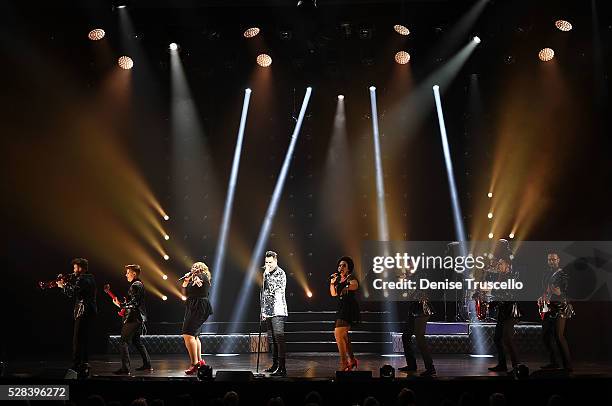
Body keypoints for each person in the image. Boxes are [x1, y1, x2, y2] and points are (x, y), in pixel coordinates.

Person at [57, 258, 97, 378]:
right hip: (89, 311)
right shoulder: (91, 278)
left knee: (77, 339)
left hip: (83, 311)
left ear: (82, 268)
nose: (73, 270)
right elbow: (78, 291)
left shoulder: (83, 279)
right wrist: (67, 283)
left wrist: (62, 286)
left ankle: (75, 364)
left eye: (75, 268)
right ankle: (84, 363)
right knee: (84, 338)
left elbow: (72, 292)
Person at [113, 264, 152, 375]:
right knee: (137, 341)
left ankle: (126, 368)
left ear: (134, 273)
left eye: (128, 272)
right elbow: (135, 302)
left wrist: (120, 305)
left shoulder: (135, 285)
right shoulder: (138, 284)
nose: (126, 275)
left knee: (123, 342)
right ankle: (147, 364)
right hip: (138, 318)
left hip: (133, 318)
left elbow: (134, 303)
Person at [539, 252, 573, 371]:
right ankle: (554, 362)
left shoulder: (562, 274)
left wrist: (557, 291)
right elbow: (547, 291)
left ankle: (567, 366)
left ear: (558, 260)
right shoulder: (548, 274)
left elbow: (563, 292)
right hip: (549, 308)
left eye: (553, 259)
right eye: (549, 260)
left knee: (559, 336)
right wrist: (543, 296)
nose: (551, 261)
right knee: (545, 336)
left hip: (560, 308)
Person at [488, 257, 521, 374]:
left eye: (501, 264)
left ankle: (516, 366)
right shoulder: (500, 277)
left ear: (508, 266)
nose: (498, 265)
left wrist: (493, 300)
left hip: (510, 312)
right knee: (497, 338)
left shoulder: (511, 277)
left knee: (508, 339)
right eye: (498, 263)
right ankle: (502, 365)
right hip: (503, 312)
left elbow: (510, 296)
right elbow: (497, 295)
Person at [181, 262, 213, 375]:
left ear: (201, 269)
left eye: (196, 267)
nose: (193, 269)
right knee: (194, 335)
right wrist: (185, 281)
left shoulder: (202, 276)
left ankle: (194, 364)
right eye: (193, 267)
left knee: (188, 334)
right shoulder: (193, 279)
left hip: (199, 307)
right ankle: (199, 361)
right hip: (193, 306)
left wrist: (197, 281)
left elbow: (200, 284)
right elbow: (185, 294)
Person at [329, 256, 360, 371]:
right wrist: (332, 283)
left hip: (349, 308)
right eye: (340, 265)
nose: (341, 267)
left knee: (338, 333)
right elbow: (333, 294)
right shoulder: (339, 279)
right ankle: (351, 360)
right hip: (341, 308)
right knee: (344, 336)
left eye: (344, 265)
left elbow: (355, 285)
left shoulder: (350, 278)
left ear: (348, 268)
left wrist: (345, 286)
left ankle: (344, 362)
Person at [261, 250, 288, 377]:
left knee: (279, 340)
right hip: (268, 312)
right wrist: (263, 310)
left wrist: (267, 274)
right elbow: (264, 293)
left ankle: (282, 367)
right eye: (266, 262)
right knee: (272, 340)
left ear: (275, 261)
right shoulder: (265, 274)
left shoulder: (280, 273)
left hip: (278, 310)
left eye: (270, 262)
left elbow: (273, 290)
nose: (268, 265)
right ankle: (275, 365)